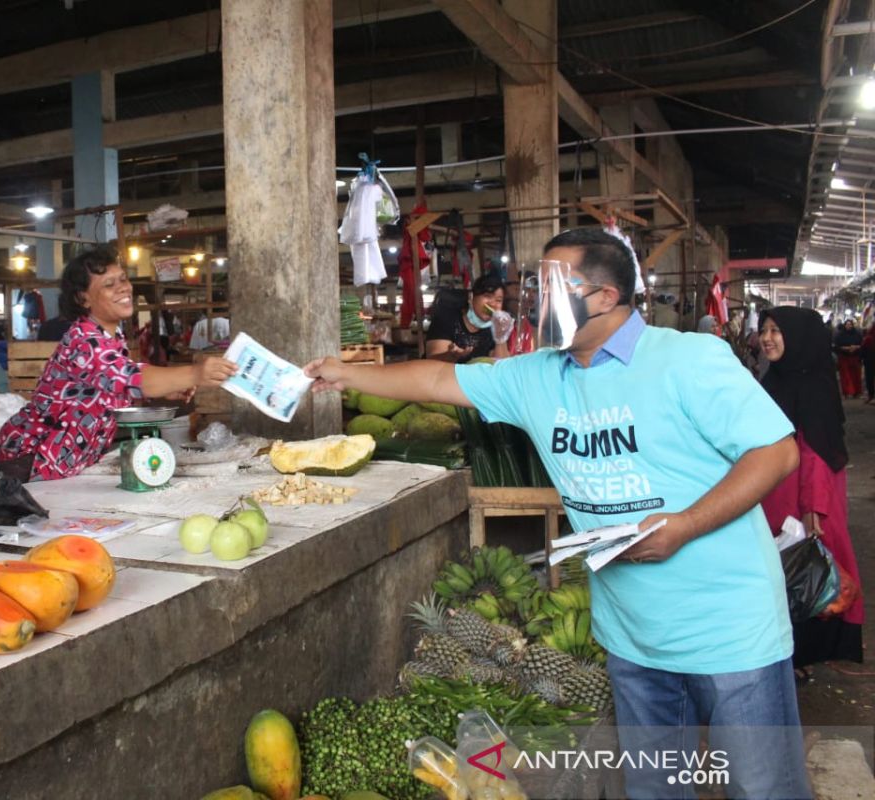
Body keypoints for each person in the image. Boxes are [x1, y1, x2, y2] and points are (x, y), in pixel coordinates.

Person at [305, 227, 810, 799]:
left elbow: (777, 450)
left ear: (606, 296)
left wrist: (685, 526)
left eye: (551, 286)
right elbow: (441, 377)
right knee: (655, 790)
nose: (531, 299)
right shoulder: (537, 374)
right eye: (533, 283)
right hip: (632, 638)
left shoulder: (689, 358)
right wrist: (345, 373)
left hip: (729, 629)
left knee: (763, 787)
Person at [0, 246, 237, 481]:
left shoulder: (112, 337)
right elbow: (131, 377)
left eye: (123, 279)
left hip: (68, 463)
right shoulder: (85, 342)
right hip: (31, 460)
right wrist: (196, 372)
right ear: (83, 298)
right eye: (109, 285)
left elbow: (113, 386)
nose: (123, 288)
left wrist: (166, 387)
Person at [759, 308, 864, 672]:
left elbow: (817, 452)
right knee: (784, 570)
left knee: (806, 570)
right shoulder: (773, 380)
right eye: (765, 330)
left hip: (803, 499)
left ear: (800, 336)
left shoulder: (814, 387)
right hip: (773, 494)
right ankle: (789, 654)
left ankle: (799, 655)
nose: (767, 338)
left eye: (777, 331)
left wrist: (813, 507)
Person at [425, 273, 512, 363]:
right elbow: (432, 360)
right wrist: (453, 356)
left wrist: (501, 338)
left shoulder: (494, 329)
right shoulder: (446, 318)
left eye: (498, 300)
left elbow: (501, 365)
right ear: (471, 297)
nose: (493, 304)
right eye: (487, 296)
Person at [833, 318, 863, 399]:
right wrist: (845, 348)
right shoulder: (840, 335)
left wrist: (856, 347)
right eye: (847, 324)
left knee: (855, 376)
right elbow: (836, 346)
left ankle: (856, 392)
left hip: (855, 357)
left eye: (850, 324)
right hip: (844, 357)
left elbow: (861, 344)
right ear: (844, 325)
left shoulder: (857, 334)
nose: (849, 326)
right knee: (846, 376)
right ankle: (847, 392)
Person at [862, 323, 875, 404]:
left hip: (869, 362)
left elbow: (863, 349)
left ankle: (871, 396)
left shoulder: (868, 338)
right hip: (869, 361)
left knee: (870, 379)